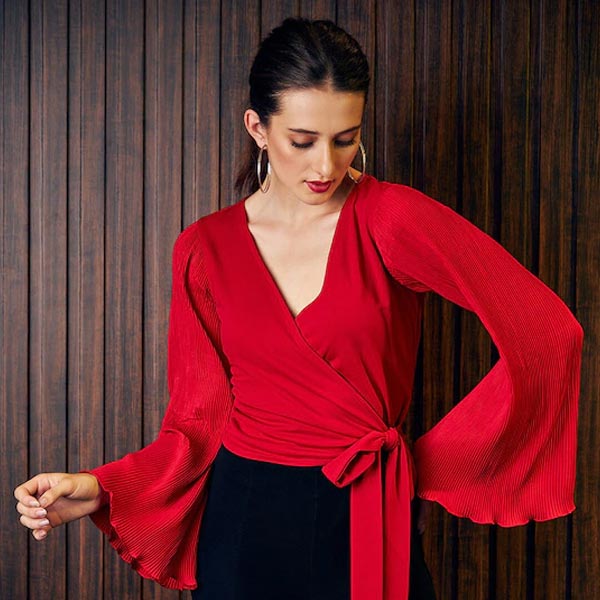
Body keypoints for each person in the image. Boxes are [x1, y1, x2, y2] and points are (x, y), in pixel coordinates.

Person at [13, 17, 583, 600]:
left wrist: (431, 465)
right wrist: (100, 486)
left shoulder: (393, 219)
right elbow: (196, 424)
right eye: (303, 141)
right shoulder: (204, 249)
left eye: (345, 138)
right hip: (244, 522)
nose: (326, 167)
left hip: (366, 511)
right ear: (258, 128)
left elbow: (548, 334)